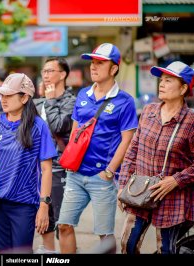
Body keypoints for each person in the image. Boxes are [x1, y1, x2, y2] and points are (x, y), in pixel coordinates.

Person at [57, 43, 138, 254]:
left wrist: (110, 171)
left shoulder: (125, 101)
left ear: (114, 68)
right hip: (76, 174)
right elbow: (75, 131)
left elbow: (127, 140)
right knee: (64, 225)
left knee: (104, 236)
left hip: (102, 177)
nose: (94, 67)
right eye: (93, 62)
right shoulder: (83, 94)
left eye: (100, 63)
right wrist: (70, 160)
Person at [118, 61, 194, 254]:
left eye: (169, 81)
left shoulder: (191, 121)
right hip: (140, 192)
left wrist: (176, 180)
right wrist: (123, 185)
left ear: (183, 88)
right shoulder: (148, 111)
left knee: (167, 250)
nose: (161, 84)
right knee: (127, 244)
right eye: (161, 80)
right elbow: (132, 150)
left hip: (172, 198)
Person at [0, 73, 57, 253]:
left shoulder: (38, 126)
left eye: (9, 95)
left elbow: (46, 169)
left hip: (24, 205)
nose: (3, 100)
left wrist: (44, 206)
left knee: (21, 253)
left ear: (25, 97)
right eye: (2, 95)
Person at [33, 57, 76, 254]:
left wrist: (50, 102)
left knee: (64, 224)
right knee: (45, 223)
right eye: (44, 71)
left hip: (60, 170)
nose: (46, 75)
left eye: (50, 70)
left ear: (63, 74)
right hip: (39, 170)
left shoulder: (72, 102)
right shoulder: (38, 102)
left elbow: (59, 126)